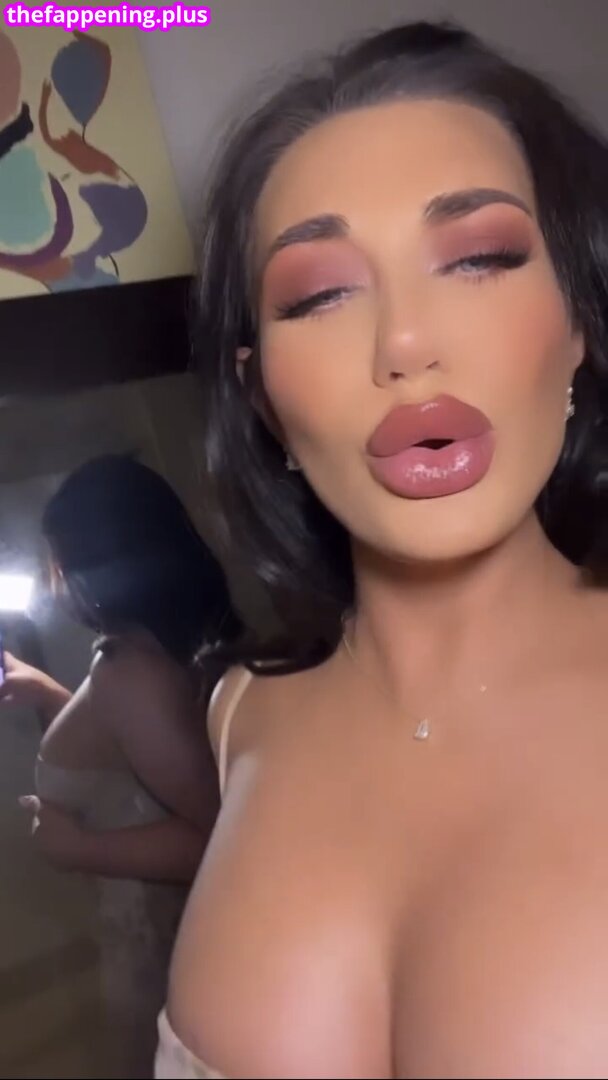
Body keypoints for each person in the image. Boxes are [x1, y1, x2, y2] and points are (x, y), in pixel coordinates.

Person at [156, 20, 608, 1080]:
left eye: (479, 259)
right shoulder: (239, 718)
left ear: (577, 326)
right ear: (260, 394)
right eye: (318, 294)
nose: (404, 342)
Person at [3, 454, 237, 1078]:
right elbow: (132, 762)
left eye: (58, 562)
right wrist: (49, 694)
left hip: (158, 941)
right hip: (149, 929)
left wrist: (78, 849)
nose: (53, 580)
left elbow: (220, 838)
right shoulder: (143, 654)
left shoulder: (131, 674)